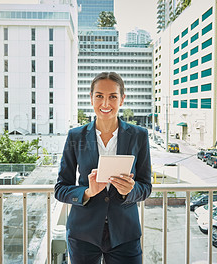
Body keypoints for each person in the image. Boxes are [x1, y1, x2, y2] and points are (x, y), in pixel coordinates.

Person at [54, 72, 152, 264]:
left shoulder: (139, 135)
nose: (105, 103)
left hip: (125, 233)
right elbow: (61, 189)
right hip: (83, 234)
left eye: (112, 97)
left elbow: (146, 187)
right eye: (99, 96)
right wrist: (87, 192)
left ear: (122, 99)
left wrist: (129, 191)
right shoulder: (76, 136)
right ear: (91, 98)